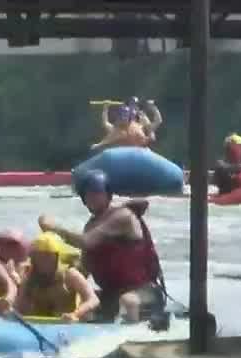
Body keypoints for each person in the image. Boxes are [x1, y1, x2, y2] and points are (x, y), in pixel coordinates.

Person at [37, 169, 165, 324]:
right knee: (80, 304)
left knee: (128, 301)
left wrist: (54, 228)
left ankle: (132, 339)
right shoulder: (90, 226)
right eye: (88, 194)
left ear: (108, 194)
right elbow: (84, 268)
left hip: (144, 291)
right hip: (111, 294)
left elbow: (86, 242)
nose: (92, 198)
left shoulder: (123, 216)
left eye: (97, 193)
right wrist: (58, 284)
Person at [15, 232, 100, 322]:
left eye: (48, 256)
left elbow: (93, 299)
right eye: (39, 256)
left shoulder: (70, 275)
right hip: (35, 324)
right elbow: (17, 306)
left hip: (64, 325)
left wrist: (75, 314)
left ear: (56, 257)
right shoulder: (29, 275)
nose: (43, 261)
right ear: (34, 257)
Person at [90, 99, 161, 153]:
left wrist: (153, 108)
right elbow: (105, 123)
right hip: (124, 155)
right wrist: (105, 108)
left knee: (150, 135)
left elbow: (158, 121)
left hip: (141, 153)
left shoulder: (141, 126)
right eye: (123, 115)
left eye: (126, 115)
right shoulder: (117, 130)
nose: (124, 117)